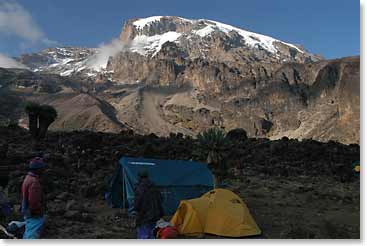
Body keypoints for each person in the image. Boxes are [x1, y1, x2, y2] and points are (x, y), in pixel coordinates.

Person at [20, 157, 46, 239]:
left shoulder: (27, 178)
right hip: (34, 214)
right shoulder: (34, 182)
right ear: (37, 169)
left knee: (29, 233)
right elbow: (34, 203)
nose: (43, 171)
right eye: (42, 169)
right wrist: (39, 212)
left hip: (27, 212)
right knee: (31, 237)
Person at [134, 170, 163, 239]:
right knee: (152, 234)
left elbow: (137, 204)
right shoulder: (154, 186)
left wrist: (136, 209)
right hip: (155, 215)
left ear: (139, 177)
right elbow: (161, 200)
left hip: (144, 216)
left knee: (143, 235)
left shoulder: (139, 188)